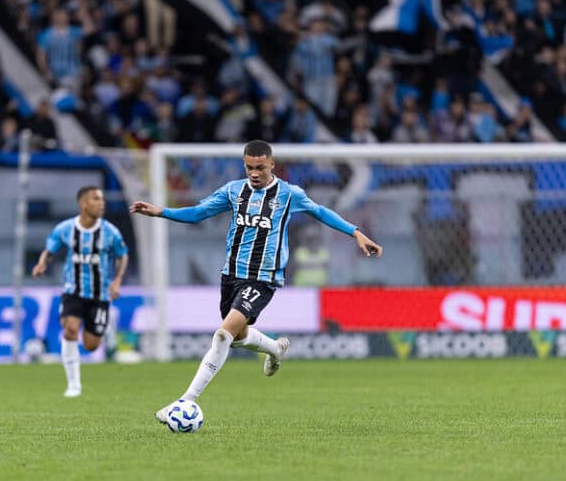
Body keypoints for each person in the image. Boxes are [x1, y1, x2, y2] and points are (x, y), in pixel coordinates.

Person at [130, 140, 383, 424]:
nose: (254, 173)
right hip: (231, 276)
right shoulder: (234, 191)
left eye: (260, 167)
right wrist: (160, 211)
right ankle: (275, 349)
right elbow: (198, 213)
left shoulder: (288, 194)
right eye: (249, 167)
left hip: (263, 278)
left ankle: (185, 401)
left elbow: (321, 212)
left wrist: (356, 233)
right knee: (237, 338)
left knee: (223, 334)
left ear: (272, 165)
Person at [32, 187, 129, 398]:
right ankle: (73, 385)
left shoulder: (110, 232)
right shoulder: (66, 229)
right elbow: (50, 250)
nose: (102, 203)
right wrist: (42, 263)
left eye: (102, 199)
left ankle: (106, 334)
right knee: (70, 330)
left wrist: (117, 280)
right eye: (96, 199)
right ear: (83, 203)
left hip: (99, 295)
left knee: (91, 345)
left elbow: (122, 255)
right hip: (72, 291)